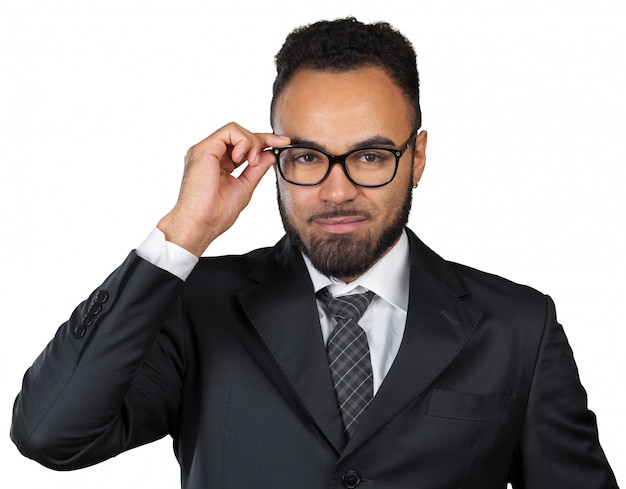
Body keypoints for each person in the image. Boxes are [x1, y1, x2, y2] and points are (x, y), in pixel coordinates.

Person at [10, 17, 619, 489]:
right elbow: (50, 435)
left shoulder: (518, 326)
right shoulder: (199, 305)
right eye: (306, 157)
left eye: (371, 156)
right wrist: (184, 231)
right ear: (274, 159)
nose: (336, 189)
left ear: (418, 158)